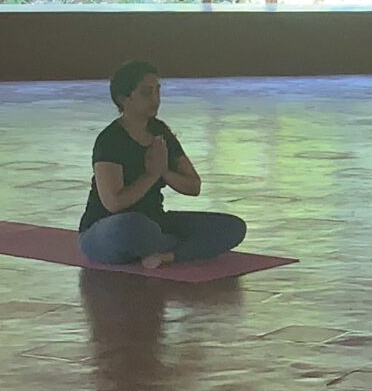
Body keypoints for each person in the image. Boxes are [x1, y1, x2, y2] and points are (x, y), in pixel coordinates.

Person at [80, 61, 247, 268]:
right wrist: (151, 175)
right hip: (110, 228)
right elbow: (114, 203)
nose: (155, 99)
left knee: (232, 227)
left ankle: (166, 255)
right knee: (132, 226)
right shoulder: (110, 140)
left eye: (158, 91)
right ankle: (174, 247)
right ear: (124, 99)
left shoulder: (160, 133)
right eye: (146, 93)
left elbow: (194, 186)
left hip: (155, 222)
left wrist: (165, 172)